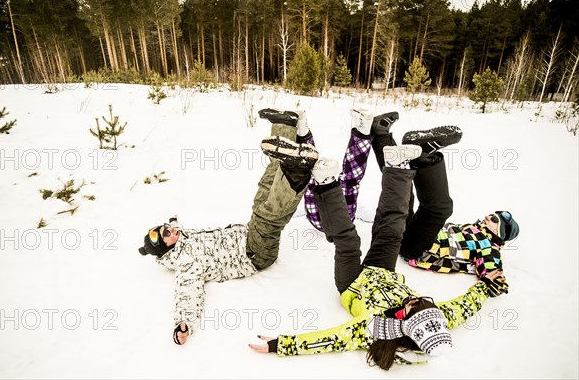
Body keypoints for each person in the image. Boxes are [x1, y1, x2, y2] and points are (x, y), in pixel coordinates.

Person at [249, 125, 509, 369]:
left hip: (353, 285)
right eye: (423, 301)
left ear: (404, 322)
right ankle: (397, 168)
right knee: (393, 229)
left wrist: (280, 345)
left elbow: (330, 339)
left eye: (413, 306)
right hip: (382, 272)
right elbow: (464, 305)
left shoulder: (375, 328)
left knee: (348, 241)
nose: (415, 298)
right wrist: (486, 287)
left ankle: (326, 183)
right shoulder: (437, 318)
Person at [137, 108, 318, 345]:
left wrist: (171, 222)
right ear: (166, 249)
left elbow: (174, 224)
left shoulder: (181, 237)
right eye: (167, 234)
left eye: (165, 227)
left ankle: (285, 127)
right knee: (268, 217)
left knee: (263, 192)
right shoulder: (186, 265)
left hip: (246, 234)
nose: (172, 230)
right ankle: (296, 172)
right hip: (254, 254)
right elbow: (188, 295)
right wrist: (184, 324)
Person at [302, 109, 520, 280]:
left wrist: (495, 279)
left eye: (494, 220)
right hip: (416, 235)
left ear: (500, 233)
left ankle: (424, 157)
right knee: (403, 193)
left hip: (417, 250)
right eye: (492, 214)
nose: (488, 217)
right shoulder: (472, 230)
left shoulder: (488, 247)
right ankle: (381, 135)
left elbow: (491, 269)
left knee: (439, 209)